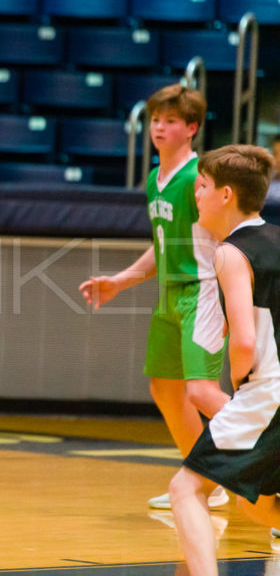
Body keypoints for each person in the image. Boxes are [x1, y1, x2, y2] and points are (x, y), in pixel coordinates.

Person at [79, 84, 230, 510]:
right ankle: (208, 478)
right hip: (169, 294)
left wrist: (235, 297)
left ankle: (268, 454)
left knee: (202, 393)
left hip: (201, 292)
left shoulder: (200, 178)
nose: (159, 128)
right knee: (165, 389)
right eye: (155, 120)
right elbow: (162, 245)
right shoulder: (154, 178)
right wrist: (121, 281)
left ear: (192, 128)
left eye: (170, 121)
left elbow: (227, 237)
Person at [169, 144, 280, 574]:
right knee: (258, 506)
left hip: (267, 391)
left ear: (227, 195)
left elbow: (245, 341)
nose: (196, 194)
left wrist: (241, 387)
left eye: (202, 185)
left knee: (185, 489)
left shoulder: (231, 252)